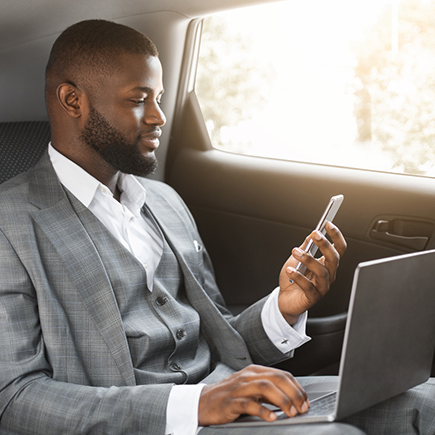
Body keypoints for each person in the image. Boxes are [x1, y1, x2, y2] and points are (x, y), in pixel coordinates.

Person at [0, 19, 431, 435]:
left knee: (426, 401)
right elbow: (14, 399)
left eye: (160, 98)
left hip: (232, 399)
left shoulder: (165, 201)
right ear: (73, 101)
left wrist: (284, 307)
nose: (159, 117)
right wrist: (197, 405)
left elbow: (222, 337)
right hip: (149, 424)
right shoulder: (10, 224)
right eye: (138, 100)